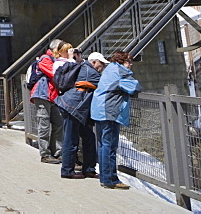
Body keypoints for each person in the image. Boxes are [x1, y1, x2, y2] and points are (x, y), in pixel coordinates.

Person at [91, 51, 141, 189]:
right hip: (109, 111)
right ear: (121, 62)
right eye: (128, 61)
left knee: (103, 144)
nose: (131, 65)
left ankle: (105, 177)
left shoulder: (109, 69)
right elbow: (135, 87)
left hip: (99, 110)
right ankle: (110, 179)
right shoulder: (121, 72)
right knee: (110, 146)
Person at [54, 49, 106, 180]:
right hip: (73, 107)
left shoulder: (83, 67)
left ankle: (89, 169)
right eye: (101, 63)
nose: (103, 67)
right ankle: (67, 170)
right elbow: (106, 84)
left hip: (73, 107)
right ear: (93, 62)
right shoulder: (89, 71)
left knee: (88, 137)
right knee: (71, 139)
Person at [30, 38, 65, 163]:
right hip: (43, 95)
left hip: (52, 96)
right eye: (62, 49)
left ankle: (57, 151)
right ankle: (45, 154)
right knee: (44, 125)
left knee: (58, 123)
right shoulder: (46, 59)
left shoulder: (56, 60)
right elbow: (54, 74)